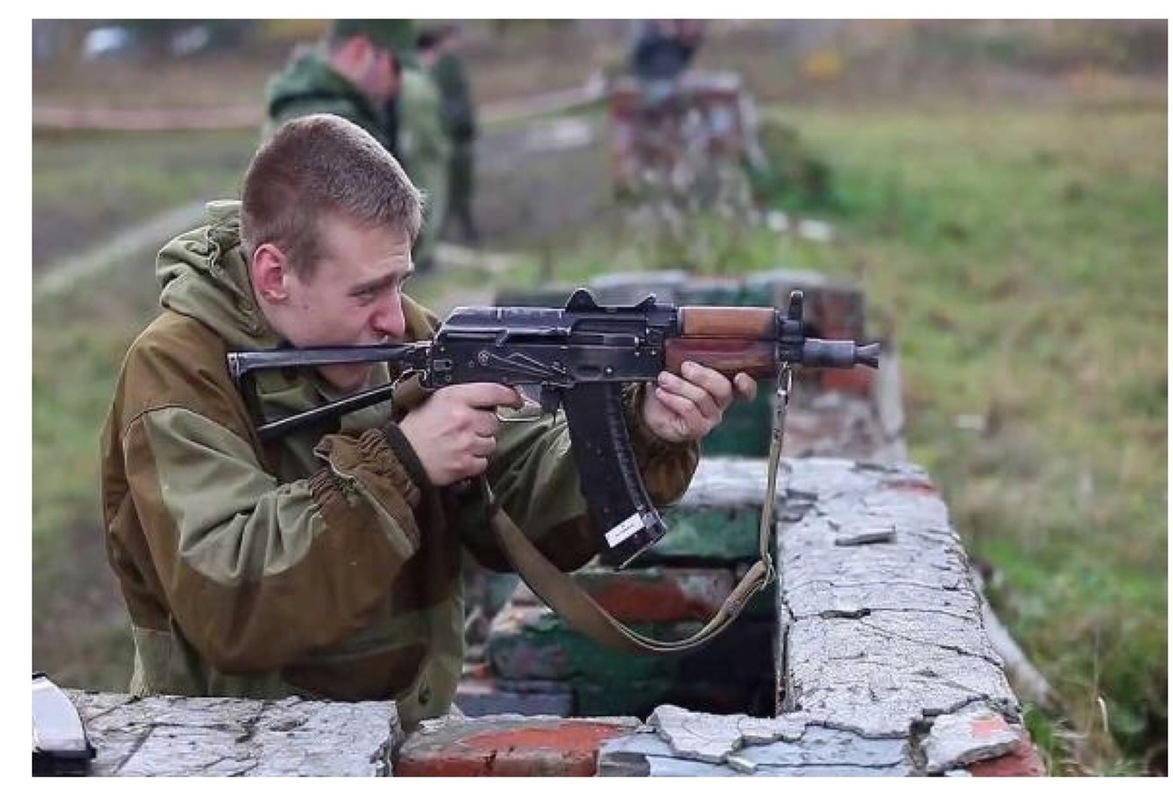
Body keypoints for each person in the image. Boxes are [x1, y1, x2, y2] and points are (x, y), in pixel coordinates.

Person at [99, 114, 756, 732]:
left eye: (398, 282)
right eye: (366, 292)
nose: (394, 316)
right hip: (246, 748)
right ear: (274, 273)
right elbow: (233, 601)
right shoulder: (177, 372)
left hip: (405, 729)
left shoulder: (399, 334)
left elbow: (516, 495)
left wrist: (643, 428)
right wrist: (402, 461)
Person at [263, 19, 448, 273]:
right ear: (361, 50)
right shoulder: (327, 122)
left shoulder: (311, 104)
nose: (397, 82)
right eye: (394, 67)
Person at [419, 24, 479, 244]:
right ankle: (440, 235)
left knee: (460, 186)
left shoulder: (451, 64)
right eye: (452, 39)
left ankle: (458, 229)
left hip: (459, 134)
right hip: (452, 136)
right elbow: (446, 103)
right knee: (448, 186)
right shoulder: (444, 66)